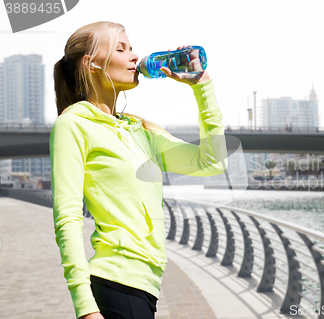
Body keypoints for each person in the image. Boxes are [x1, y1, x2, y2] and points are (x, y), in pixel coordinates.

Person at [50, 21, 227, 319]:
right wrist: (85, 308)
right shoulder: (73, 124)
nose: (134, 57)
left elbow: (212, 162)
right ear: (91, 64)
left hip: (145, 288)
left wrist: (202, 87)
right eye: (121, 49)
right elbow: (67, 217)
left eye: (132, 49)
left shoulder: (139, 129)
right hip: (116, 285)